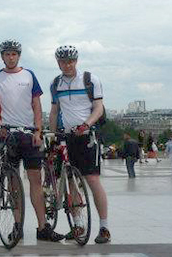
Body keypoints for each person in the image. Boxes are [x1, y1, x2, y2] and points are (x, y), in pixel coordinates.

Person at [0, 40, 64, 243]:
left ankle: (42, 226)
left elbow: (36, 105)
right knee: (13, 183)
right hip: (8, 134)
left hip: (29, 134)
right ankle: (18, 225)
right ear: (2, 56)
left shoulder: (29, 75)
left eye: (14, 54)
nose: (11, 57)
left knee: (35, 182)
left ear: (18, 56)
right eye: (7, 54)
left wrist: (38, 130)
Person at [49, 45, 110, 244]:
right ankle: (78, 224)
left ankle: (104, 227)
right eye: (63, 62)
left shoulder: (90, 79)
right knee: (70, 181)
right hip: (67, 137)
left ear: (76, 60)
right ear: (58, 63)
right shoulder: (56, 83)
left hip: (87, 136)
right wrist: (52, 134)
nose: (67, 65)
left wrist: (86, 125)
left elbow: (98, 107)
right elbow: (55, 111)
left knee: (92, 180)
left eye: (71, 61)